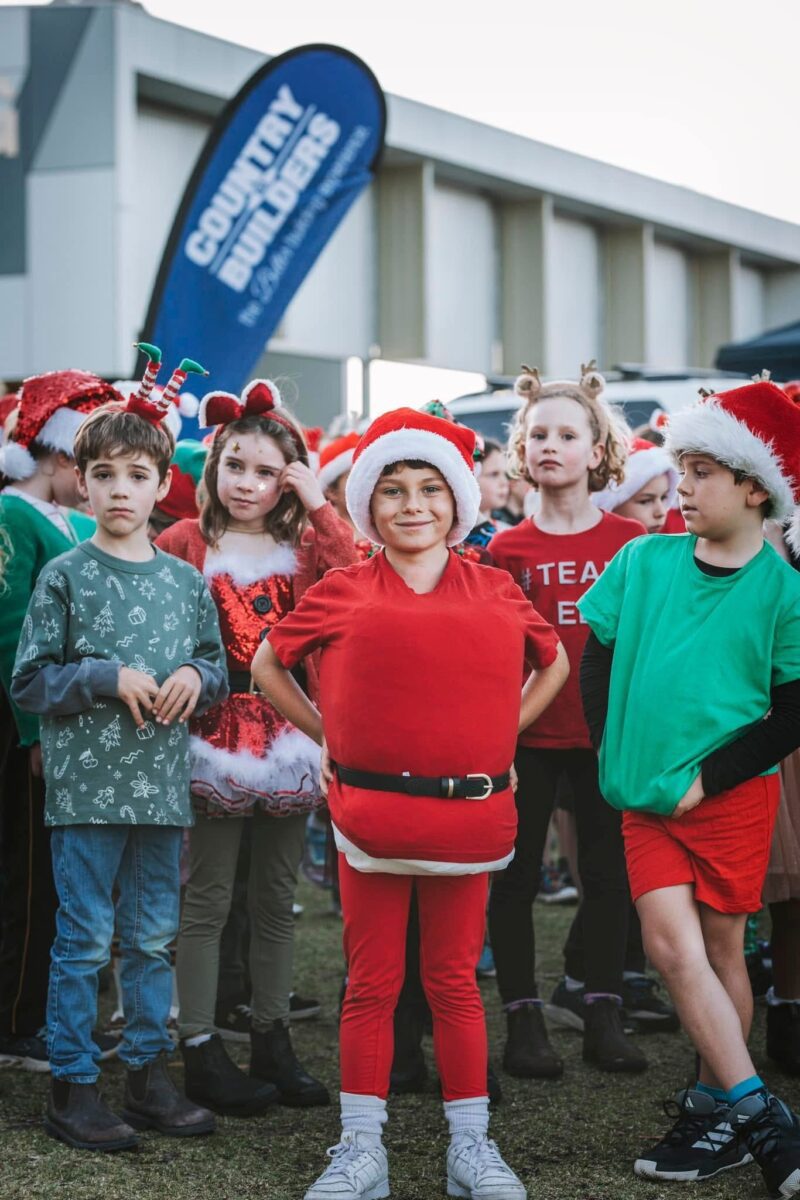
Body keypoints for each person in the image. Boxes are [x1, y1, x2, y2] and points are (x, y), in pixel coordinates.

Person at [252, 407, 569, 1200]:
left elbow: (553, 661)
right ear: (368, 505)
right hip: (372, 820)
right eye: (392, 490)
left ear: (459, 501)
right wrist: (327, 734)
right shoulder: (342, 588)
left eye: (430, 488)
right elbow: (268, 664)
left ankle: (471, 1146)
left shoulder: (496, 588)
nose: (413, 504)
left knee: (455, 981)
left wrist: (504, 736)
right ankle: (361, 1147)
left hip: (467, 822)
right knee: (371, 982)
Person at [578, 375, 800, 1196]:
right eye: (683, 469)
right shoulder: (642, 558)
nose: (684, 487)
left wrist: (708, 779)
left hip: (732, 803)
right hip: (646, 802)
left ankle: (715, 1111)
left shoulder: (783, 588)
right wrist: (614, 748)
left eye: (703, 472)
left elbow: (792, 710)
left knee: (721, 952)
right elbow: (597, 649)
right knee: (671, 949)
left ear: (754, 486)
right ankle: (761, 1115)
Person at [11, 378, 228, 1151]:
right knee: (83, 940)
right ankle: (73, 1087)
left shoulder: (184, 580)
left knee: (151, 937)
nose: (120, 489)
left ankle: (146, 1077)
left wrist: (196, 678)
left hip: (161, 793)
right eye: (104, 474)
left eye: (138, 475)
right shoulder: (63, 574)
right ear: (81, 477)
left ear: (163, 485)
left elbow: (217, 666)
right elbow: (29, 680)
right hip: (86, 793)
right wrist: (106, 676)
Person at [157, 378, 356, 1116]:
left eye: (268, 472)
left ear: (288, 480)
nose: (248, 483)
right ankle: (201, 1046)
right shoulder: (182, 542)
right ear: (214, 468)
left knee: (277, 897)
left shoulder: (303, 546)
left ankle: (273, 1038)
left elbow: (359, 580)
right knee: (207, 897)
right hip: (208, 739)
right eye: (235, 465)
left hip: (294, 733)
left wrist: (320, 503)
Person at [487, 361, 648, 1077]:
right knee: (515, 878)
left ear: (597, 449)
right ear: (522, 450)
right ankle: (522, 1018)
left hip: (606, 736)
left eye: (567, 434)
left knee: (610, 877)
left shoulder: (627, 545)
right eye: (538, 434)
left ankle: (602, 1005)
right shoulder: (504, 550)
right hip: (525, 737)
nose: (551, 446)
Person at [0, 370, 119, 1071]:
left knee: (64, 877)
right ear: (60, 452)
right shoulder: (13, 515)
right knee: (25, 873)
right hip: (24, 726)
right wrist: (34, 730)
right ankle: (17, 1017)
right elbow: (10, 628)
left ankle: (49, 1008)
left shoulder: (71, 521)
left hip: (65, 721)